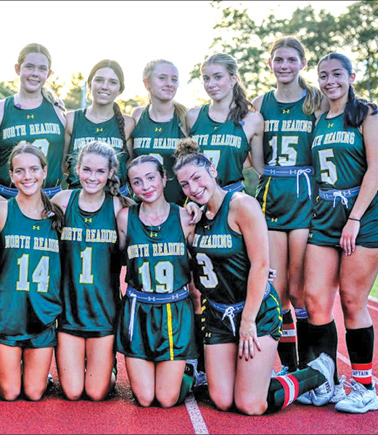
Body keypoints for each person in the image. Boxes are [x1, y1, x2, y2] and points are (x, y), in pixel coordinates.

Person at [175, 137, 336, 415]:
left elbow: (261, 265)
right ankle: (253, 379)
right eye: (184, 184)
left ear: (212, 170)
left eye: (197, 178)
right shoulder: (194, 217)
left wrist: (248, 322)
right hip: (218, 314)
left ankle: (317, 371)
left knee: (250, 405)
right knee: (222, 400)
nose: (193, 188)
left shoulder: (241, 205)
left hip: (254, 311)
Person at [301, 53, 378, 414]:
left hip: (363, 215)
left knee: (352, 301)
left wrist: (353, 218)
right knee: (314, 300)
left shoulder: (365, 114)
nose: (330, 81)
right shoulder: (319, 119)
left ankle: (366, 388)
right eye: (323, 75)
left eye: (337, 74)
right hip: (325, 214)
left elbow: (376, 168)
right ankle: (328, 381)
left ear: (351, 77)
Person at [251, 36, 327, 375]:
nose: (284, 65)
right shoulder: (260, 103)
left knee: (299, 290)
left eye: (291, 59)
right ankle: (290, 365)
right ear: (270, 63)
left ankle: (311, 364)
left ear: (302, 63)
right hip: (272, 194)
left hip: (304, 195)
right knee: (277, 290)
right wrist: (269, 174)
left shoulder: (315, 100)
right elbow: (256, 156)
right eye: (278, 59)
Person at [114, 154, 199, 408]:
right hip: (138, 309)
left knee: (166, 399)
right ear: (131, 187)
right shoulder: (125, 218)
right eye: (137, 182)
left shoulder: (185, 218)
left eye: (151, 178)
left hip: (174, 311)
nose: (146, 186)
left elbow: (205, 259)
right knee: (144, 398)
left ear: (164, 178)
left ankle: (191, 373)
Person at [51, 141, 131, 401]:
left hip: (104, 312)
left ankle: (107, 368)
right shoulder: (63, 201)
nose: (92, 177)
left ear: (110, 172)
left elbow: (155, 216)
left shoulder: (119, 207)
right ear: (77, 169)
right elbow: (27, 216)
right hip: (69, 310)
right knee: (72, 392)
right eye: (87, 170)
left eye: (100, 171)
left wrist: (191, 210)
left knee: (96, 393)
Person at [0, 143, 64, 401]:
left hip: (42, 313)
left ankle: (28, 374)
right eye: (19, 171)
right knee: (9, 393)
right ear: (11, 175)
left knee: (34, 392)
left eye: (34, 169)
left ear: (45, 171)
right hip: (8, 313)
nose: (27, 176)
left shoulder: (58, 215)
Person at [0, 43, 66, 199]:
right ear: (17, 69)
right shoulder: (0, 109)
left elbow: (65, 164)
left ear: (49, 74)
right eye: (29, 67)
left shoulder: (58, 107)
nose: (35, 73)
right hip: (8, 196)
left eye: (42, 69)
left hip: (50, 197)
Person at [186, 53, 264, 193]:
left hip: (233, 197)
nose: (211, 84)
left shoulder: (252, 119)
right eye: (206, 78)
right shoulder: (193, 116)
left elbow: (260, 168)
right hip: (198, 197)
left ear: (233, 79)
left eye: (218, 77)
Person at [63, 60, 134, 196]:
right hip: (79, 200)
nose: (105, 86)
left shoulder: (128, 123)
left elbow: (129, 169)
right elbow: (64, 167)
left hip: (116, 200)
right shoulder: (71, 120)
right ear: (90, 85)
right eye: (99, 80)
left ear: (120, 89)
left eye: (112, 82)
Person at [131, 59, 189, 205]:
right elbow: (129, 162)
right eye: (162, 78)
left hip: (178, 207)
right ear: (147, 83)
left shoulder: (186, 118)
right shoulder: (137, 116)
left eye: (174, 79)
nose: (169, 83)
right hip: (141, 206)